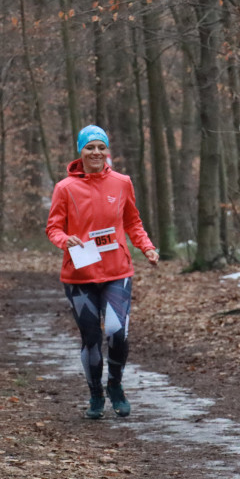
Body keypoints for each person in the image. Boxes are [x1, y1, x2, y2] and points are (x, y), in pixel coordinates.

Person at [46, 125, 159, 420]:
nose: (96, 153)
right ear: (80, 152)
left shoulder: (122, 183)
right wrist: (64, 240)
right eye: (89, 147)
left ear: (107, 151)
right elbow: (53, 227)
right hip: (80, 274)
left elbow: (133, 221)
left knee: (117, 332)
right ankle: (95, 393)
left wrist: (146, 248)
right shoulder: (65, 188)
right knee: (92, 337)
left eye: (101, 147)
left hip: (116, 271)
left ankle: (116, 386)